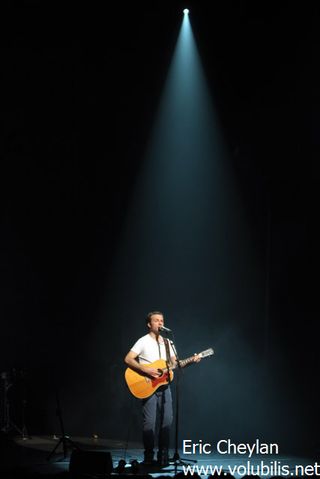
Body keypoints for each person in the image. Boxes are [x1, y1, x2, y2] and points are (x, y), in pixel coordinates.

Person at [124, 311, 200, 467]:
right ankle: (149, 456)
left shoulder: (168, 343)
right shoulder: (143, 341)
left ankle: (163, 454)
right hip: (147, 385)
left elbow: (175, 363)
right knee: (149, 423)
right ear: (149, 324)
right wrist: (145, 370)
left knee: (167, 421)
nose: (160, 323)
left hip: (164, 386)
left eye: (162, 320)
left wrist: (192, 360)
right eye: (156, 320)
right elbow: (128, 359)